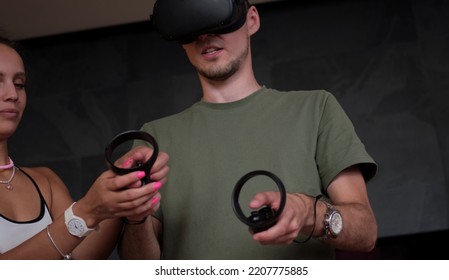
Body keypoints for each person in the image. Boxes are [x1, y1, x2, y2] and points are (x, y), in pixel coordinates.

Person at [119, 0, 377, 260]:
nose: (205, 37)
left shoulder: (316, 109)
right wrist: (135, 217)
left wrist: (309, 212)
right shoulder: (154, 138)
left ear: (251, 20)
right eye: (192, 28)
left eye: (218, 23)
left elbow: (365, 232)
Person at [0, 35, 169, 259]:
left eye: (19, 84)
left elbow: (80, 258)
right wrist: (86, 211)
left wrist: (121, 182)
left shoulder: (44, 182)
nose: (13, 95)